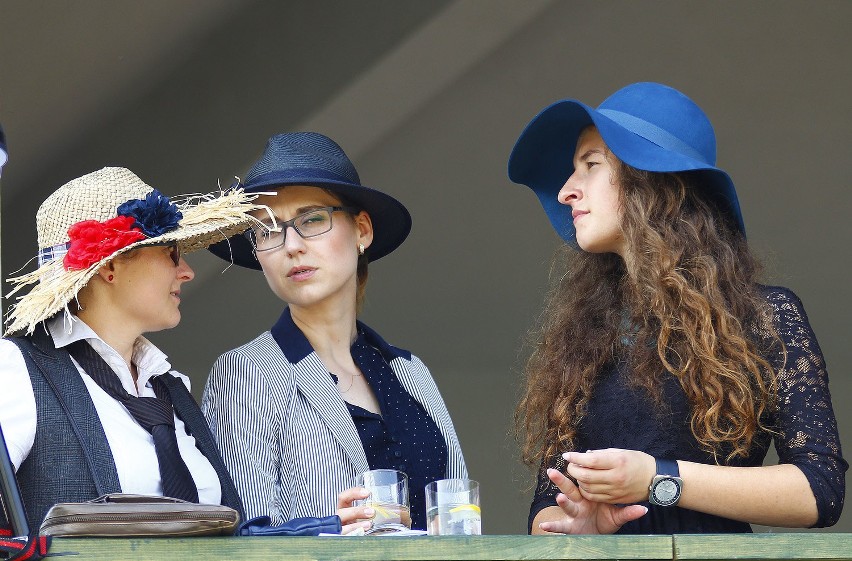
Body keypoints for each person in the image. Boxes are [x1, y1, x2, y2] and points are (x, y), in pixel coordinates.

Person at [507, 82, 846, 534]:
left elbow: (819, 489)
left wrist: (659, 479)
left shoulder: (765, 315)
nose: (567, 190)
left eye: (590, 166)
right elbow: (545, 506)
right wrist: (577, 522)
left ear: (652, 183)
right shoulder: (583, 335)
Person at [203, 132, 467, 532]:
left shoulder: (411, 373)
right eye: (269, 229)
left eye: (312, 219)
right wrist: (326, 529)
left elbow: (460, 514)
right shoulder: (245, 373)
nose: (291, 245)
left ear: (362, 230)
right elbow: (244, 540)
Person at [0, 167, 259, 529]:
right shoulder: (16, 368)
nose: (187, 271)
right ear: (112, 267)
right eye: (171, 252)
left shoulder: (170, 388)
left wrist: (320, 530)